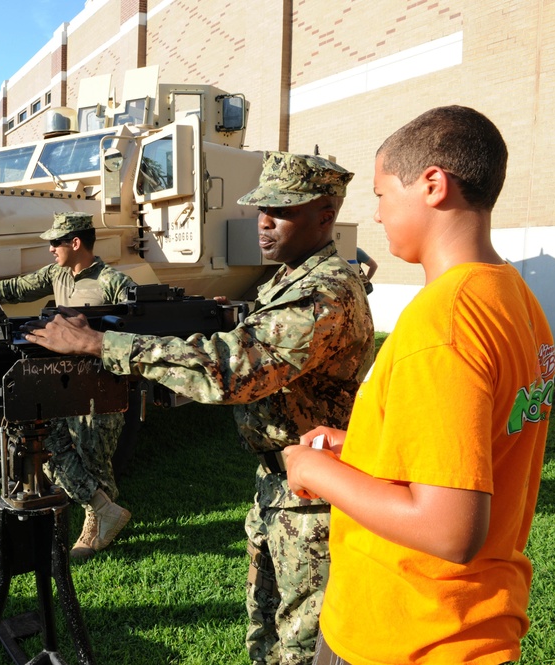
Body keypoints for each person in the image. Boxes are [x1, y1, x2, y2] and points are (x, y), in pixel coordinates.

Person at [23, 152, 375, 664]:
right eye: (261, 209)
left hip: (314, 501)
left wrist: (103, 345)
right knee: (267, 640)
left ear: (325, 215)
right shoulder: (289, 279)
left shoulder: (320, 292)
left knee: (301, 650)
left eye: (282, 210)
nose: (264, 222)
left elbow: (233, 370)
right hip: (283, 486)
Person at [283, 107, 554, 664]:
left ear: (432, 184)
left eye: (382, 195)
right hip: (464, 624)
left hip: (405, 633)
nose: (378, 217)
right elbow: (473, 444)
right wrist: (360, 448)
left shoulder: (445, 321)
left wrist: (316, 471)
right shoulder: (516, 300)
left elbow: (448, 528)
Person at [0, 211, 136, 558]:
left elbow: (134, 331)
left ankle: (96, 526)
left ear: (75, 243)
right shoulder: (56, 274)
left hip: (100, 386)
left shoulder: (115, 283)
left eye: (55, 242)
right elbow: (16, 288)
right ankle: (104, 511)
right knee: (48, 443)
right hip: (62, 381)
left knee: (95, 458)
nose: (50, 249)